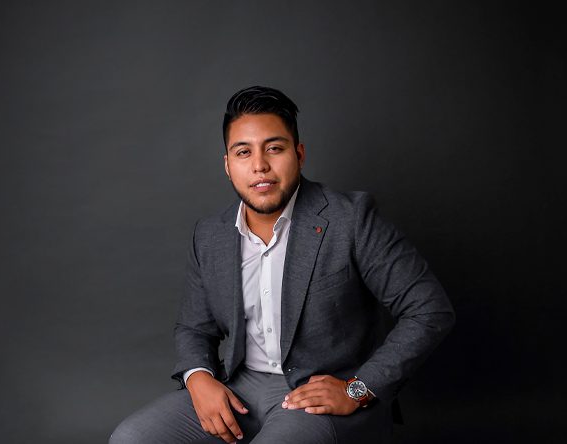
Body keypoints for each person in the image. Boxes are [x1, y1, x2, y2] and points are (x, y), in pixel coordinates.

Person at [110, 86, 455, 444]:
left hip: (318, 394)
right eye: (243, 152)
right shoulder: (210, 234)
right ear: (228, 165)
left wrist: (358, 389)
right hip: (240, 388)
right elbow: (193, 328)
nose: (260, 165)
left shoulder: (350, 220)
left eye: (274, 148)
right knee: (131, 438)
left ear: (299, 154)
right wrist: (198, 378)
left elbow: (430, 310)